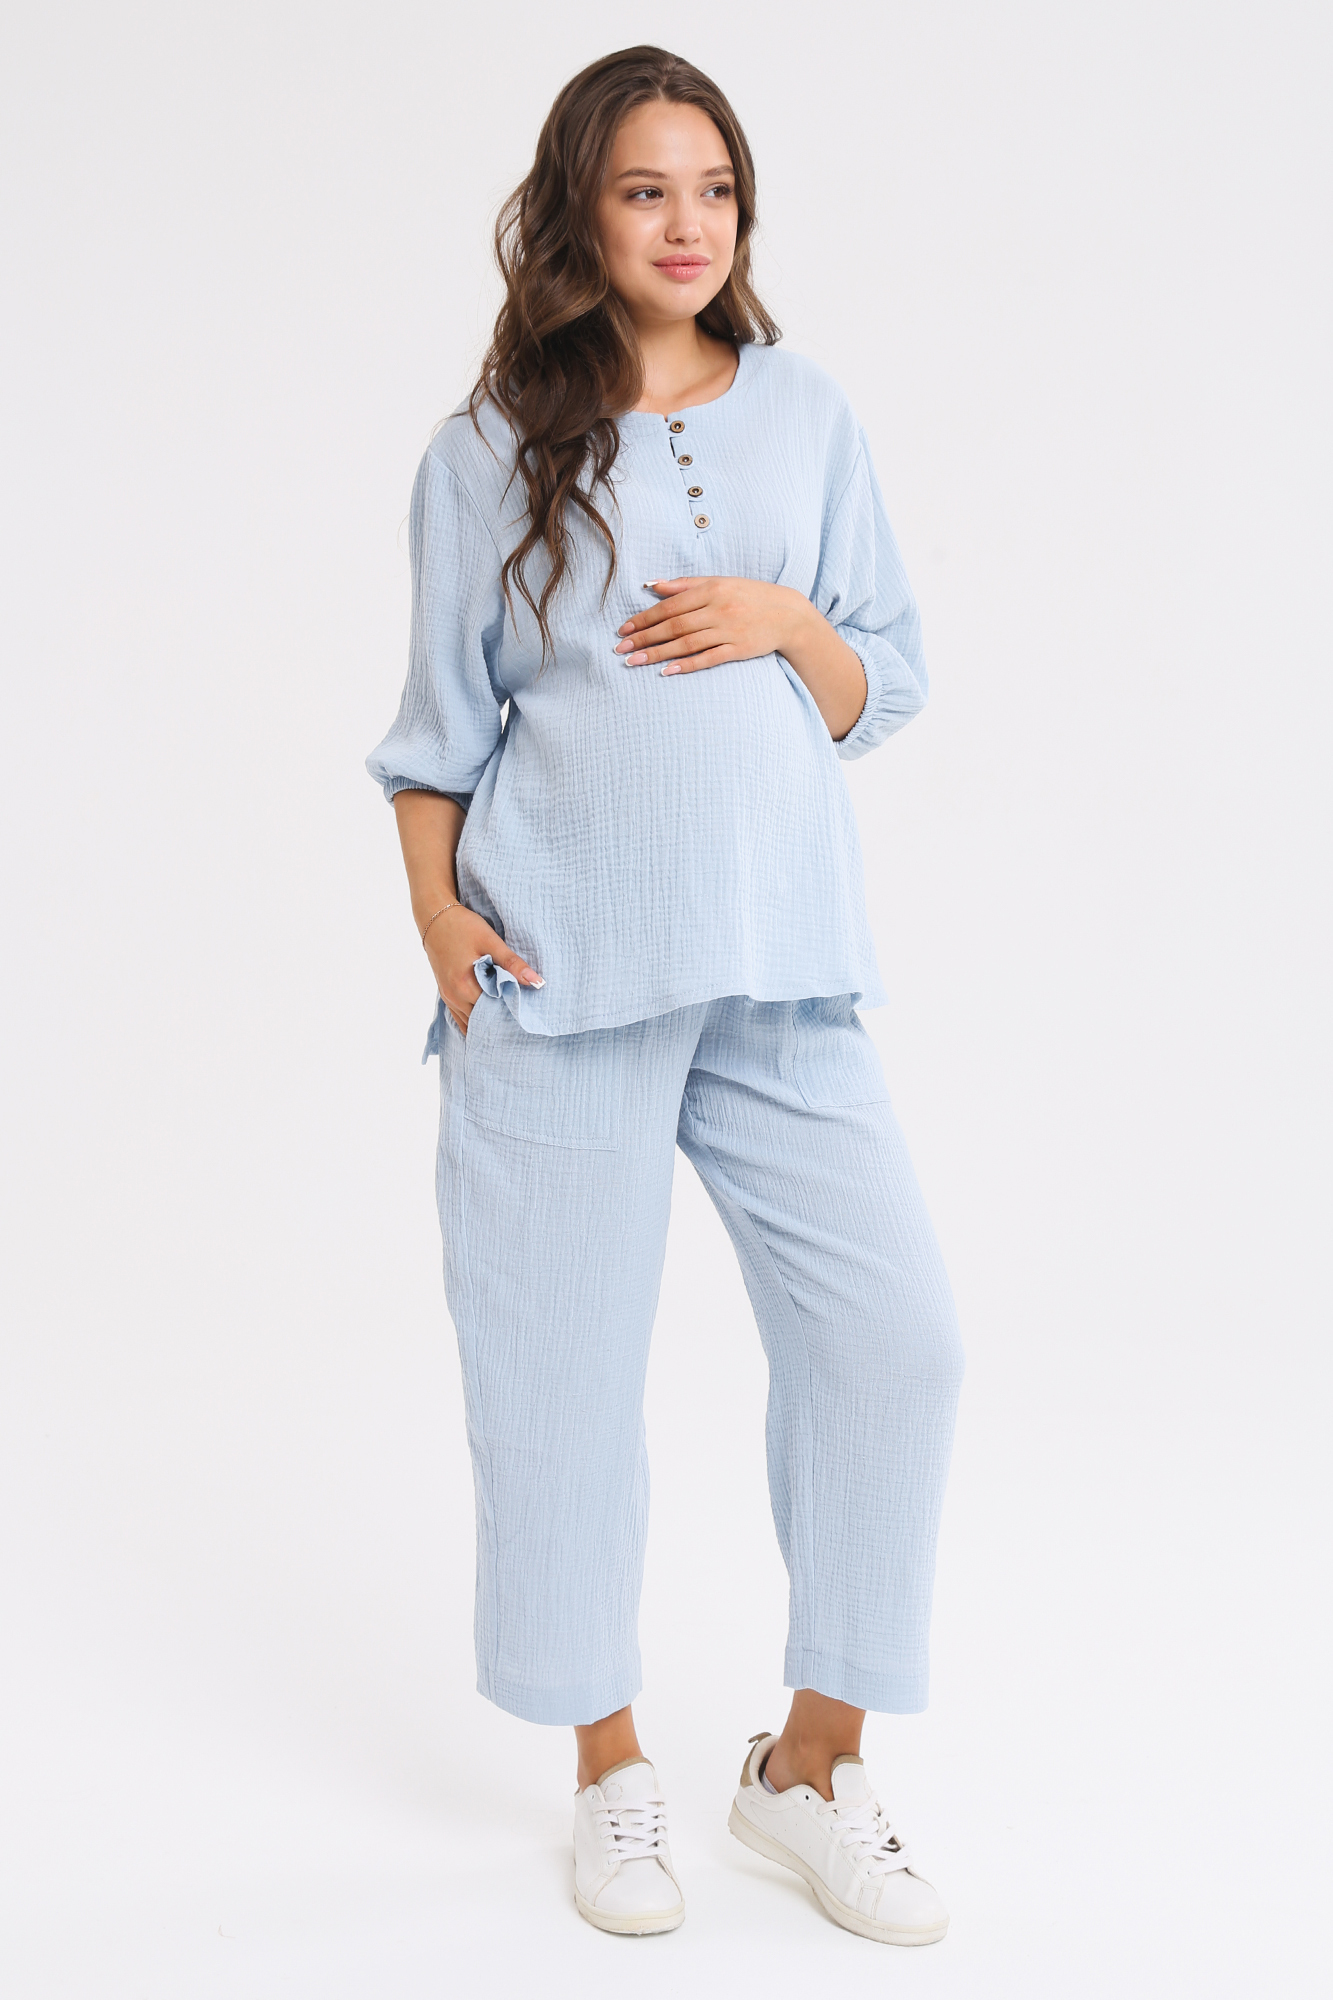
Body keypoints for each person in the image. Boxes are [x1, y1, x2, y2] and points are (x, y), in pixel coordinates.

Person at [367, 44, 965, 1946]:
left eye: (712, 189)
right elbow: (434, 736)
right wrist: (439, 925)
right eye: (644, 190)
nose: (685, 224)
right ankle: (609, 1772)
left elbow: (882, 684)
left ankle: (809, 1769)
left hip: (781, 971)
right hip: (559, 976)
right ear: (579, 209)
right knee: (555, 1388)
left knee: (894, 1340)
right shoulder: (486, 448)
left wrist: (786, 623)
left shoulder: (806, 413)